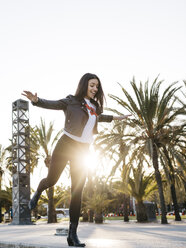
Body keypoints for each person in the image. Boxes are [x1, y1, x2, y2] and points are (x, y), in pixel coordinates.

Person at [22, 73, 129, 247]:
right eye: (92, 85)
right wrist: (36, 100)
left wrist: (116, 118)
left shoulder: (94, 106)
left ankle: (72, 236)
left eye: (97, 86)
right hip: (66, 144)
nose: (95, 89)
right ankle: (37, 192)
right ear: (84, 84)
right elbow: (54, 104)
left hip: (83, 150)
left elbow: (96, 118)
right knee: (52, 180)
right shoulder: (71, 101)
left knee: (77, 192)